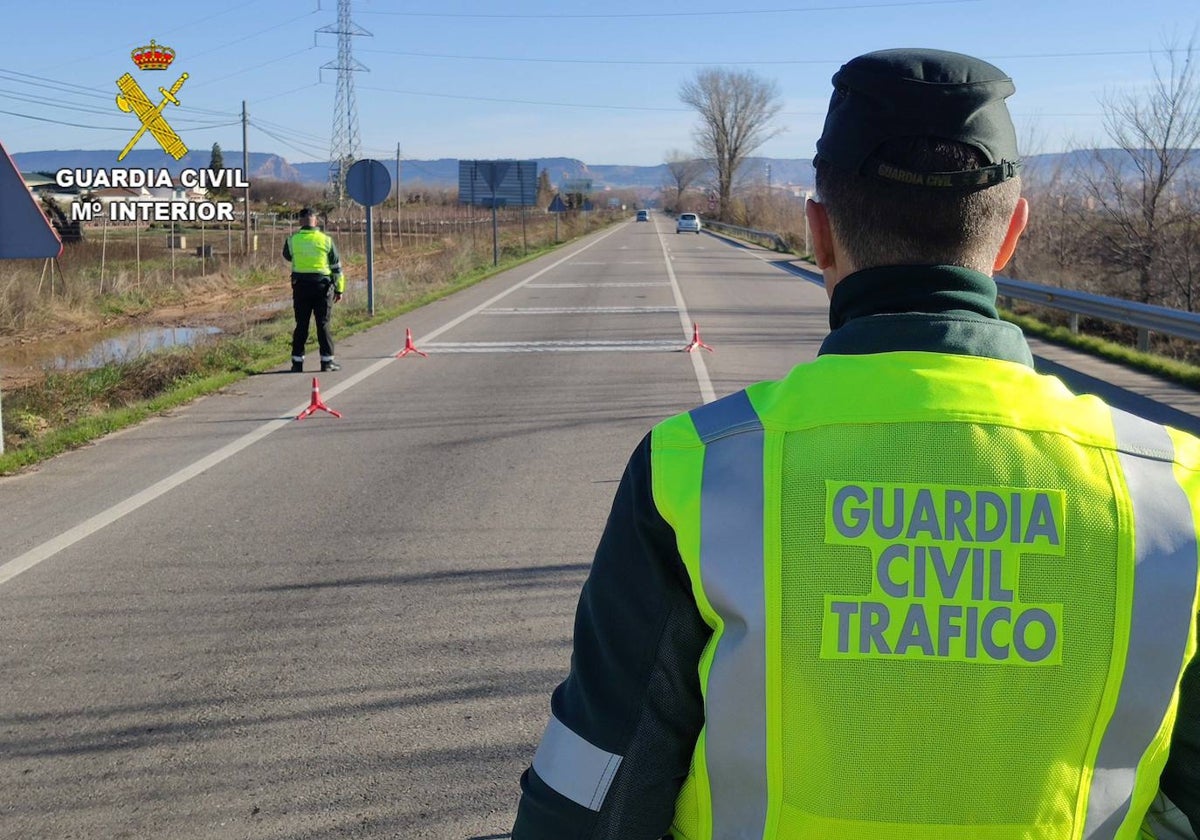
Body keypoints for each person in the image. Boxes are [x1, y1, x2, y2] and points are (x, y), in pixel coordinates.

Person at [511, 48, 1200, 839]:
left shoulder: (697, 469)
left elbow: (597, 783)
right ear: (1012, 234)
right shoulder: (1174, 491)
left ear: (817, 234)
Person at [283, 207, 344, 372]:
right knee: (323, 324)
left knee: (301, 324)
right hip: (322, 287)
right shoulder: (326, 240)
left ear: (300, 221)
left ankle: (297, 363)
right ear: (316, 221)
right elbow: (336, 267)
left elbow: (287, 256)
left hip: (301, 287)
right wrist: (339, 289)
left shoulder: (292, 240)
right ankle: (327, 362)